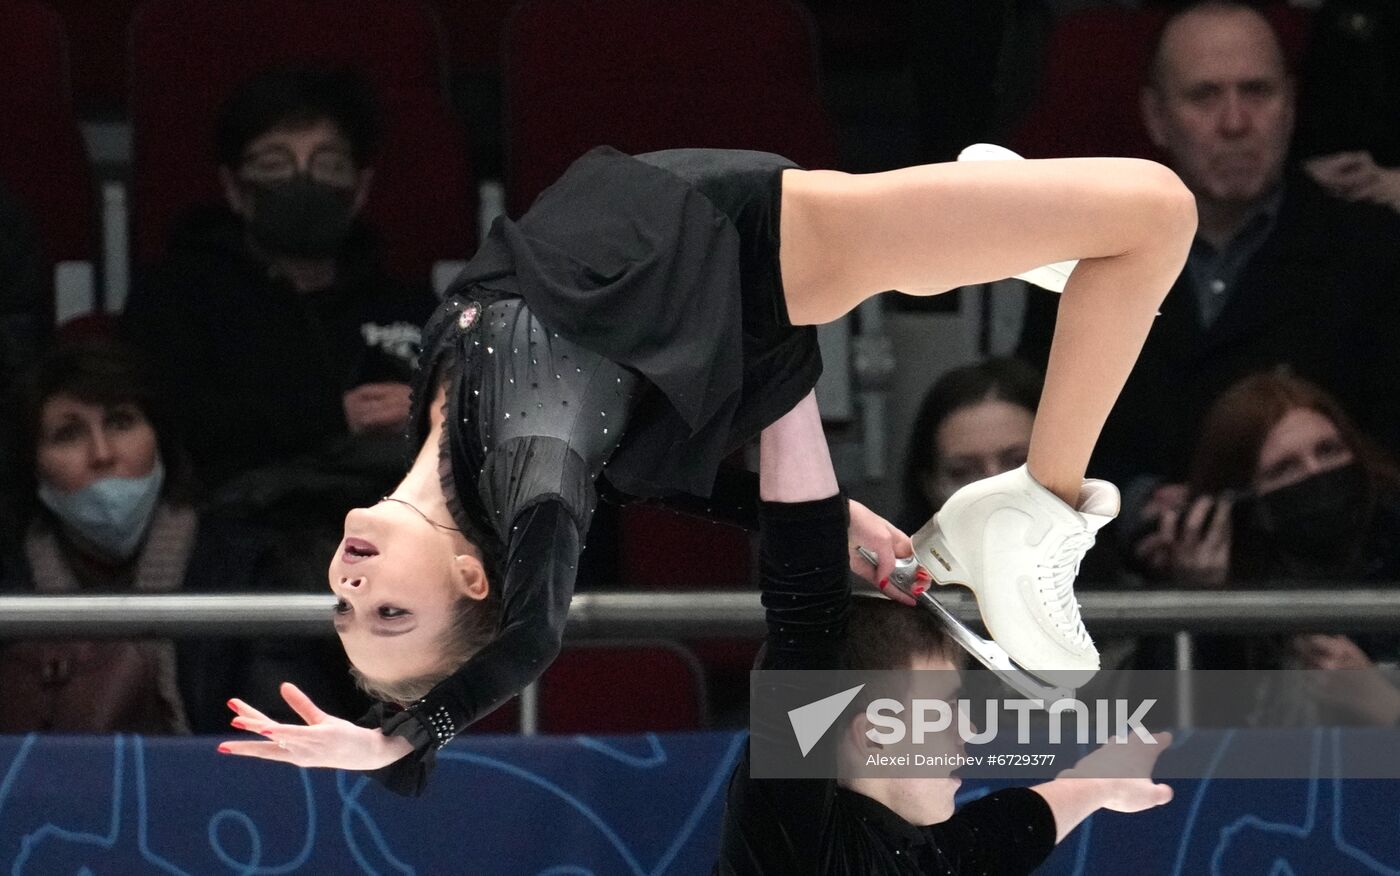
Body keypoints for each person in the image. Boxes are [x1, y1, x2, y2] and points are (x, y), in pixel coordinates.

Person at [220, 143, 1195, 793]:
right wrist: (398, 737)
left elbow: (636, 463)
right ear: (475, 579)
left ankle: (994, 218)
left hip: (694, 232)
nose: (348, 589)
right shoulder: (531, 465)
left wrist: (817, 518)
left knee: (1110, 237)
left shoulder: (459, 438)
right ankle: (1037, 508)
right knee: (1158, 216)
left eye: (344, 610)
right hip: (753, 247)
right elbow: (533, 634)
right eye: (388, 613)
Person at [714, 390, 1173, 873]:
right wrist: (788, 369)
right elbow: (802, 616)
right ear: (874, 733)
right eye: (946, 708)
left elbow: (998, 837)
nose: (970, 728)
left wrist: (1097, 783)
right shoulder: (792, 849)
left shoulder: (909, 855)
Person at [1018, 0, 1400, 497]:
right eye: (1205, 96)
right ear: (1156, 116)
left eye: (1257, 92)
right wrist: (1134, 509)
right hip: (1117, 565)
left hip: (1319, 563)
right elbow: (1033, 443)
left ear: (1291, 103)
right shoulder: (1083, 263)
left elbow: (1388, 451)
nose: (1235, 122)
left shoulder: (1374, 253)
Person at [123, 65, 438, 493]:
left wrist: (432, 412)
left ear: (361, 187)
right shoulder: (175, 299)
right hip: (238, 530)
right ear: (234, 188)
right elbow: (169, 426)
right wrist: (331, 417)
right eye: (275, 164)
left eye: (328, 164)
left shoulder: (410, 303)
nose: (303, 182)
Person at [1134, 370, 1400, 724]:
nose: (1316, 474)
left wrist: (1382, 702)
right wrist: (1204, 605)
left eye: (1329, 450)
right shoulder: (1214, 590)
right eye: (1284, 469)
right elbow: (1169, 744)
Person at [899, 357, 1041, 534]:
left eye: (1019, 463)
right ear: (930, 488)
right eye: (962, 472)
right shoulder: (897, 560)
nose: (995, 491)